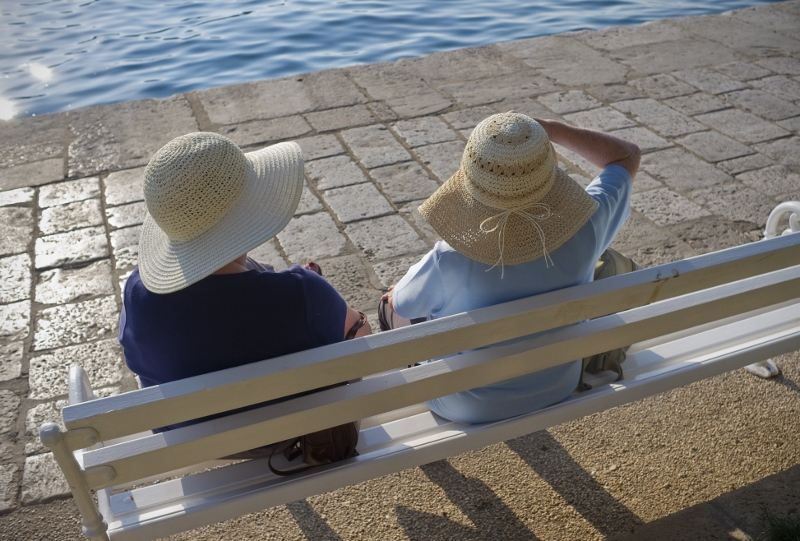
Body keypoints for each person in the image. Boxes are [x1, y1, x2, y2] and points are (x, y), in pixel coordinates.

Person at [379, 112, 641, 424]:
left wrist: (394, 297)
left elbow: (402, 305)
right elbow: (627, 155)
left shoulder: (451, 257)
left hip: (468, 403)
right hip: (558, 383)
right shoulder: (587, 224)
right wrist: (553, 129)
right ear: (546, 169)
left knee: (391, 305)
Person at [118, 132, 371, 430]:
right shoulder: (301, 295)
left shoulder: (138, 294)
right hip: (301, 434)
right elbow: (361, 339)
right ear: (248, 212)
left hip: (193, 443)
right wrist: (312, 296)